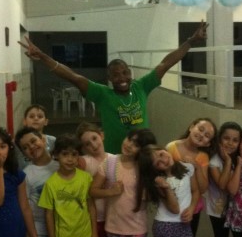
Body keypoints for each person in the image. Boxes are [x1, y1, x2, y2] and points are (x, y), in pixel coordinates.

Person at [19, 20, 209, 154]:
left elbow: (166, 63)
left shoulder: (142, 86)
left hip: (142, 153)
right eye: (116, 75)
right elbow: (73, 77)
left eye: (125, 72)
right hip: (115, 155)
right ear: (109, 78)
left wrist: (191, 41)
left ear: (130, 73)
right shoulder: (102, 94)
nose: (122, 78)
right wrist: (43, 57)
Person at [206, 121, 242, 237]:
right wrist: (228, 161)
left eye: (235, 140)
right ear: (219, 139)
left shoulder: (239, 158)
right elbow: (222, 184)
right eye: (226, 138)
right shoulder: (214, 161)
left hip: (236, 211)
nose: (230, 143)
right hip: (218, 212)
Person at [15, 104, 57, 168]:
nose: (36, 118)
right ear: (24, 121)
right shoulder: (17, 143)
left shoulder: (53, 140)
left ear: (46, 121)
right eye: (31, 116)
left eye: (40, 116)